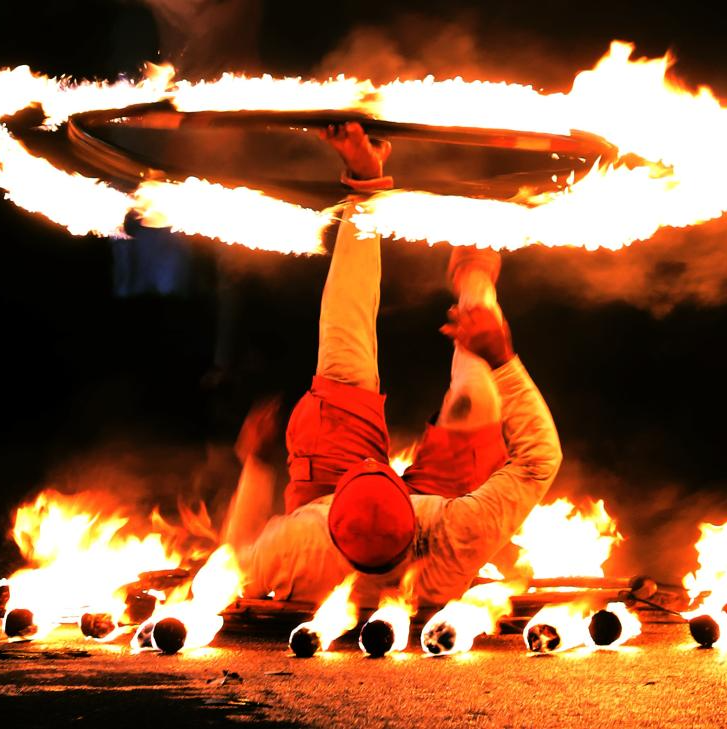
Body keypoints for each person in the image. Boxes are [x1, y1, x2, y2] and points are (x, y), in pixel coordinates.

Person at [233, 122, 562, 606]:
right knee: (475, 399)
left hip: (329, 501)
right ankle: (474, 267)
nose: (374, 462)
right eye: (378, 471)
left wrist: (256, 467)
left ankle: (365, 184)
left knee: (343, 362)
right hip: (427, 515)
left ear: (333, 520)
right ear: (413, 517)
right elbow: (538, 462)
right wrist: (501, 356)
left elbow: (235, 555)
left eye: (365, 471)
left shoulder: (297, 550)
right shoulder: (454, 536)